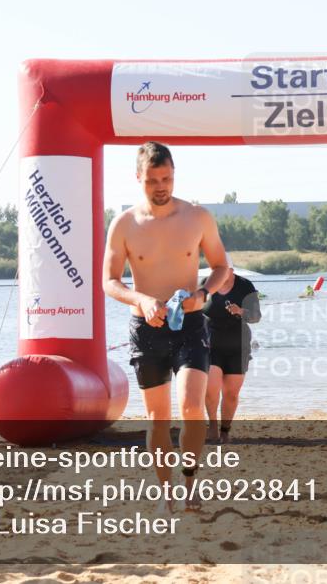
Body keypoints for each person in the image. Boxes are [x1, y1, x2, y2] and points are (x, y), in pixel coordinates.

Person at [103, 141, 232, 512]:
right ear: (138, 178)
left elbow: (223, 266)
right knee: (157, 419)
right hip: (146, 328)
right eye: (153, 180)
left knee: (192, 407)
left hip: (190, 323)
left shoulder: (198, 217)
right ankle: (166, 493)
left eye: (168, 178)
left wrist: (204, 292)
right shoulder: (124, 224)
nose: (161, 186)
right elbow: (109, 281)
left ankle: (190, 484)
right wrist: (141, 300)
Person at [200, 268, 261, 444]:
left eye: (221, 271)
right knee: (211, 388)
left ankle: (225, 430)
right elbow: (193, 310)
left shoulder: (245, 286)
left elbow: (256, 317)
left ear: (231, 271)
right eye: (214, 270)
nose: (216, 275)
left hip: (238, 345)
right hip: (211, 344)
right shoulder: (206, 284)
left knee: (231, 393)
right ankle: (212, 423)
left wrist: (240, 311)